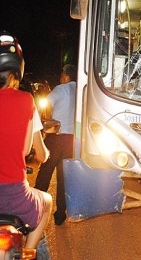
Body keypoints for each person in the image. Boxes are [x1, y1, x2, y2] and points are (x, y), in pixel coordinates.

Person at [0, 31, 53, 251]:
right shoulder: (26, 100)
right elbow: (29, 151)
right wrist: (44, 154)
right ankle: (29, 252)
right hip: (14, 196)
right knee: (47, 201)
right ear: (17, 69)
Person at [35, 63, 77, 226]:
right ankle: (60, 214)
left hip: (55, 137)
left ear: (66, 76)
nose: (61, 78)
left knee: (45, 172)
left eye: (62, 75)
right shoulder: (79, 90)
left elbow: (45, 104)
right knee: (63, 177)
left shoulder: (61, 89)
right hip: (71, 140)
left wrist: (49, 118)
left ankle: (36, 208)